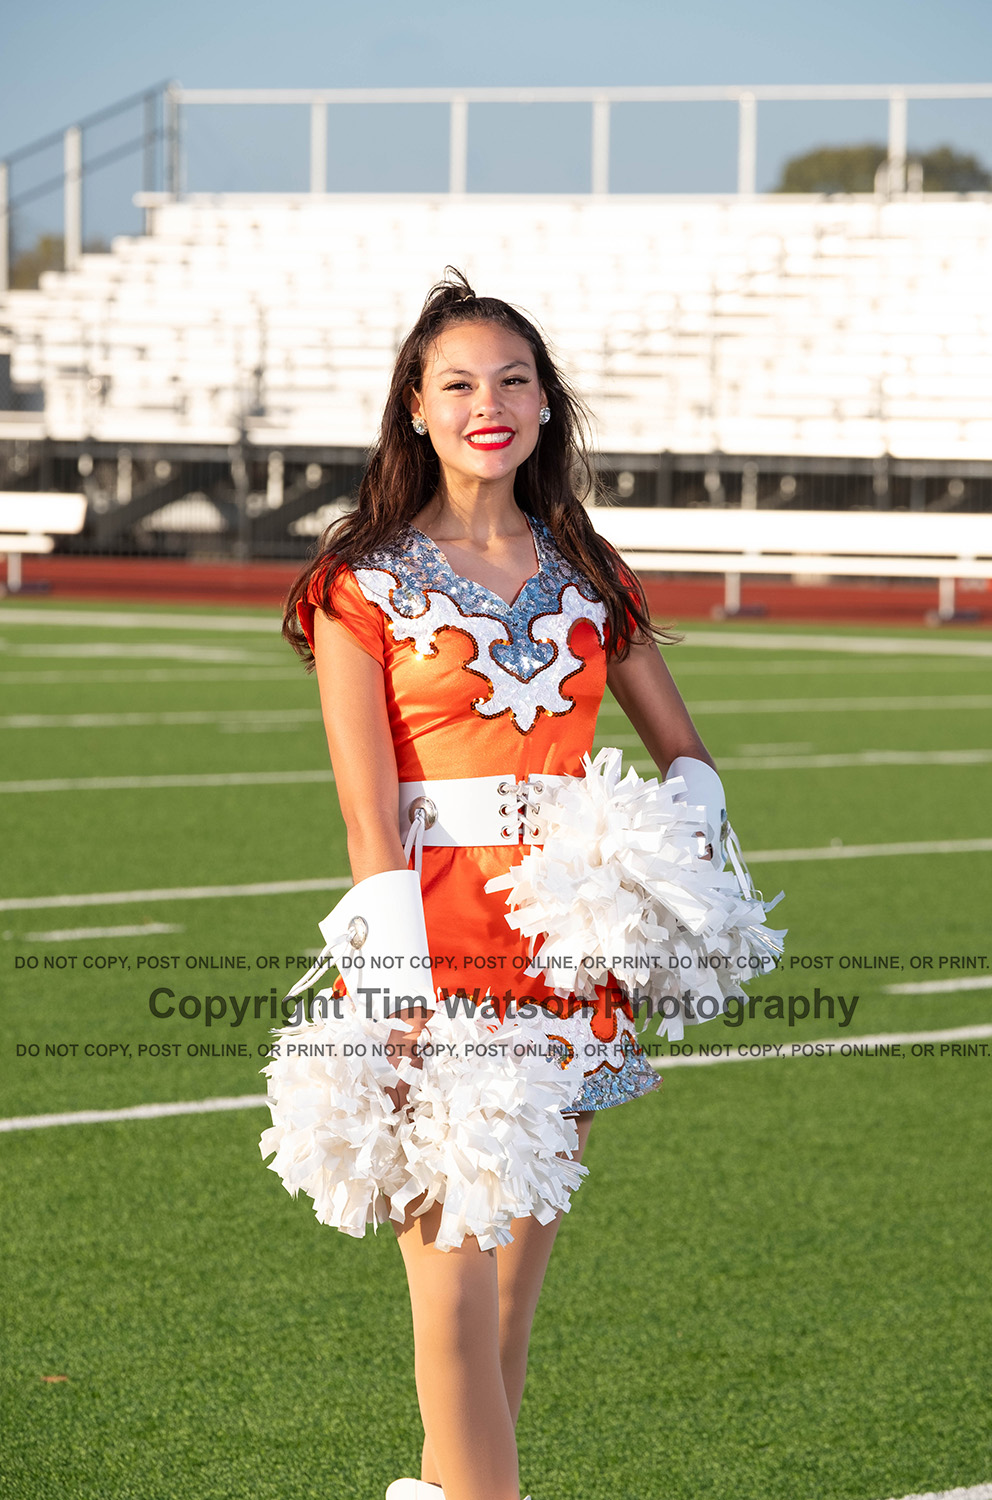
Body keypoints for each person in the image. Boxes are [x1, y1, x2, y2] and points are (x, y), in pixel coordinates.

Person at [262, 269, 726, 1500]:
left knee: (511, 1307)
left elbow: (685, 755)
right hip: (435, 952)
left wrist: (665, 866)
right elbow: (367, 816)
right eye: (459, 383)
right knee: (454, 1301)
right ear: (414, 408)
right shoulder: (361, 578)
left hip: (565, 955)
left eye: (513, 381)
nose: (489, 405)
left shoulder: (585, 564)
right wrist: (391, 991)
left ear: (544, 404)